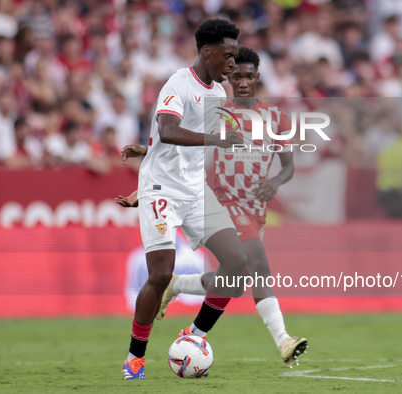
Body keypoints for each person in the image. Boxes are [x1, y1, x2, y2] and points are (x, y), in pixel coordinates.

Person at [118, 48, 308, 367]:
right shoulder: (216, 101)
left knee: (238, 273)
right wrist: (150, 160)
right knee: (254, 265)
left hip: (247, 203)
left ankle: (180, 290)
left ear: (258, 78)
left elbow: (288, 165)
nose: (241, 81)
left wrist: (275, 182)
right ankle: (282, 340)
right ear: (227, 75)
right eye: (236, 75)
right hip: (220, 196)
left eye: (248, 76)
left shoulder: (274, 117)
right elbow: (178, 140)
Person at [116, 18, 248, 380]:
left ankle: (195, 335)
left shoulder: (219, 93)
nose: (233, 63)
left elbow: (176, 138)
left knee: (237, 265)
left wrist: (147, 150)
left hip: (194, 189)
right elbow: (170, 130)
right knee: (160, 274)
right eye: (228, 55)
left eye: (235, 56)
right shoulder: (177, 84)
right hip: (162, 189)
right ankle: (135, 359)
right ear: (208, 52)